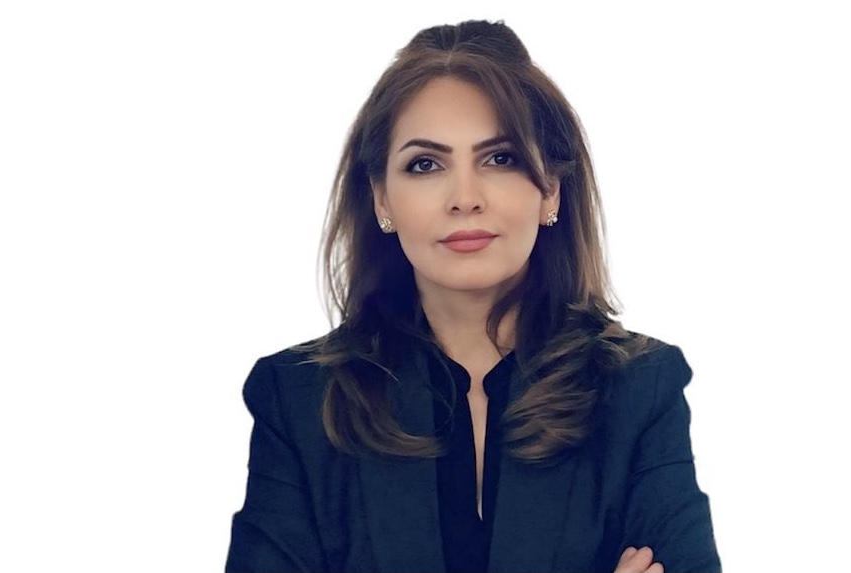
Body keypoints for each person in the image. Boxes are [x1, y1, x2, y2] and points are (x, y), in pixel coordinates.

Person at [225, 20, 720, 573]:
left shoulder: (640, 388)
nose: (465, 197)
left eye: (500, 158)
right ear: (382, 198)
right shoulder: (296, 399)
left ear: (551, 189)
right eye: (425, 164)